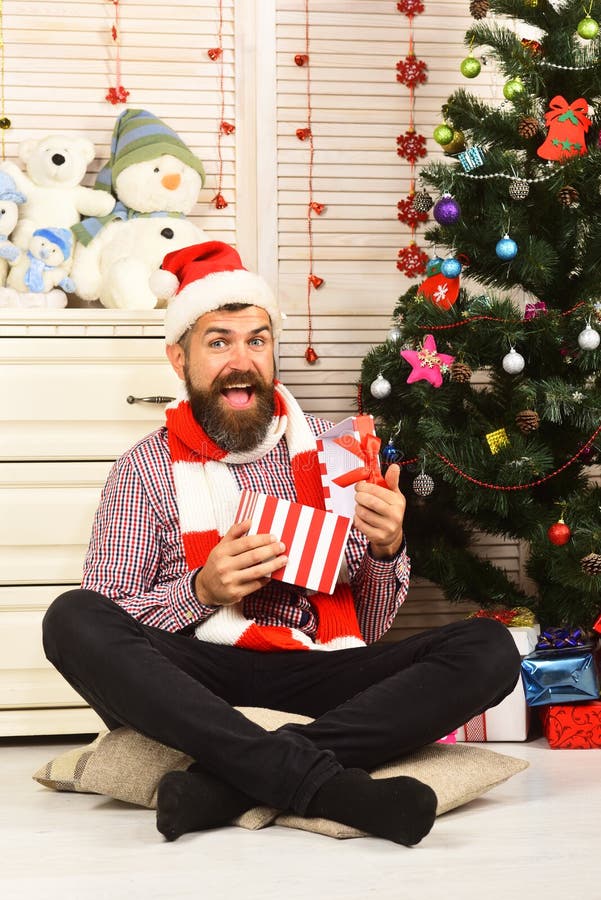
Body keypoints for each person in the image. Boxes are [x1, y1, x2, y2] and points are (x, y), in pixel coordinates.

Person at [43, 241, 521, 847]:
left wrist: (385, 547)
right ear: (178, 359)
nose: (241, 362)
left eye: (257, 341)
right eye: (218, 342)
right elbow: (111, 613)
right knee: (71, 618)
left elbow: (369, 625)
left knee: (488, 647)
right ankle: (335, 788)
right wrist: (201, 590)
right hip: (199, 682)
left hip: (321, 670)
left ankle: (226, 783)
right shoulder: (143, 469)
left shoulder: (335, 448)